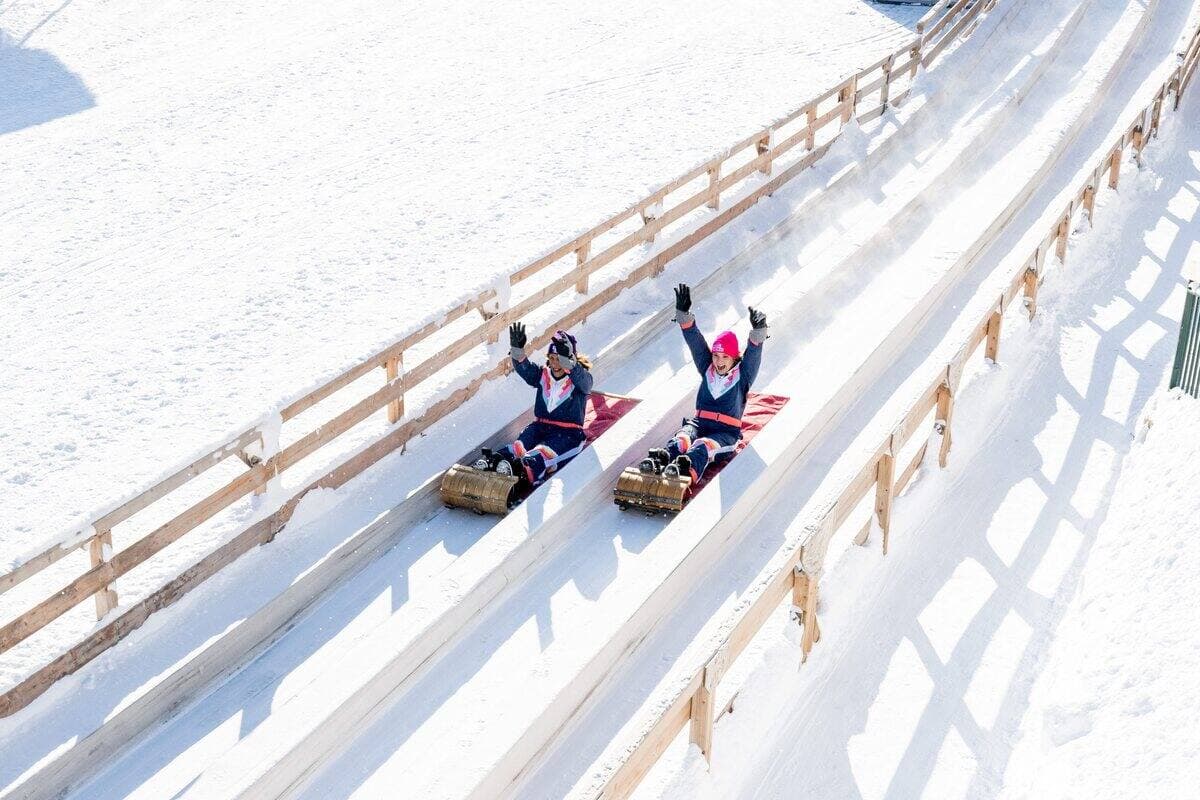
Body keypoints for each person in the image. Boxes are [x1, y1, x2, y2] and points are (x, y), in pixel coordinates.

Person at [641, 283, 768, 481]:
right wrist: (684, 316)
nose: (718, 361)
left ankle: (684, 472)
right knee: (682, 439)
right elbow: (695, 342)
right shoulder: (707, 367)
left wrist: (758, 331)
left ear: (734, 358)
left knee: (703, 446)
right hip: (699, 423)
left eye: (725, 357)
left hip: (725, 433)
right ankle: (660, 462)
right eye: (716, 355)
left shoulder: (743, 375)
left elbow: (754, 354)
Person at [473, 323, 594, 486]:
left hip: (569, 433)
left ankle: (520, 473)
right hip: (541, 426)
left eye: (560, 359)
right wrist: (517, 351)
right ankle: (494, 463)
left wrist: (570, 363)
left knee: (541, 454)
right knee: (519, 446)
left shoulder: (579, 380)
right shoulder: (544, 375)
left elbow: (585, 383)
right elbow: (526, 370)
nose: (555, 363)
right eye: (552, 358)